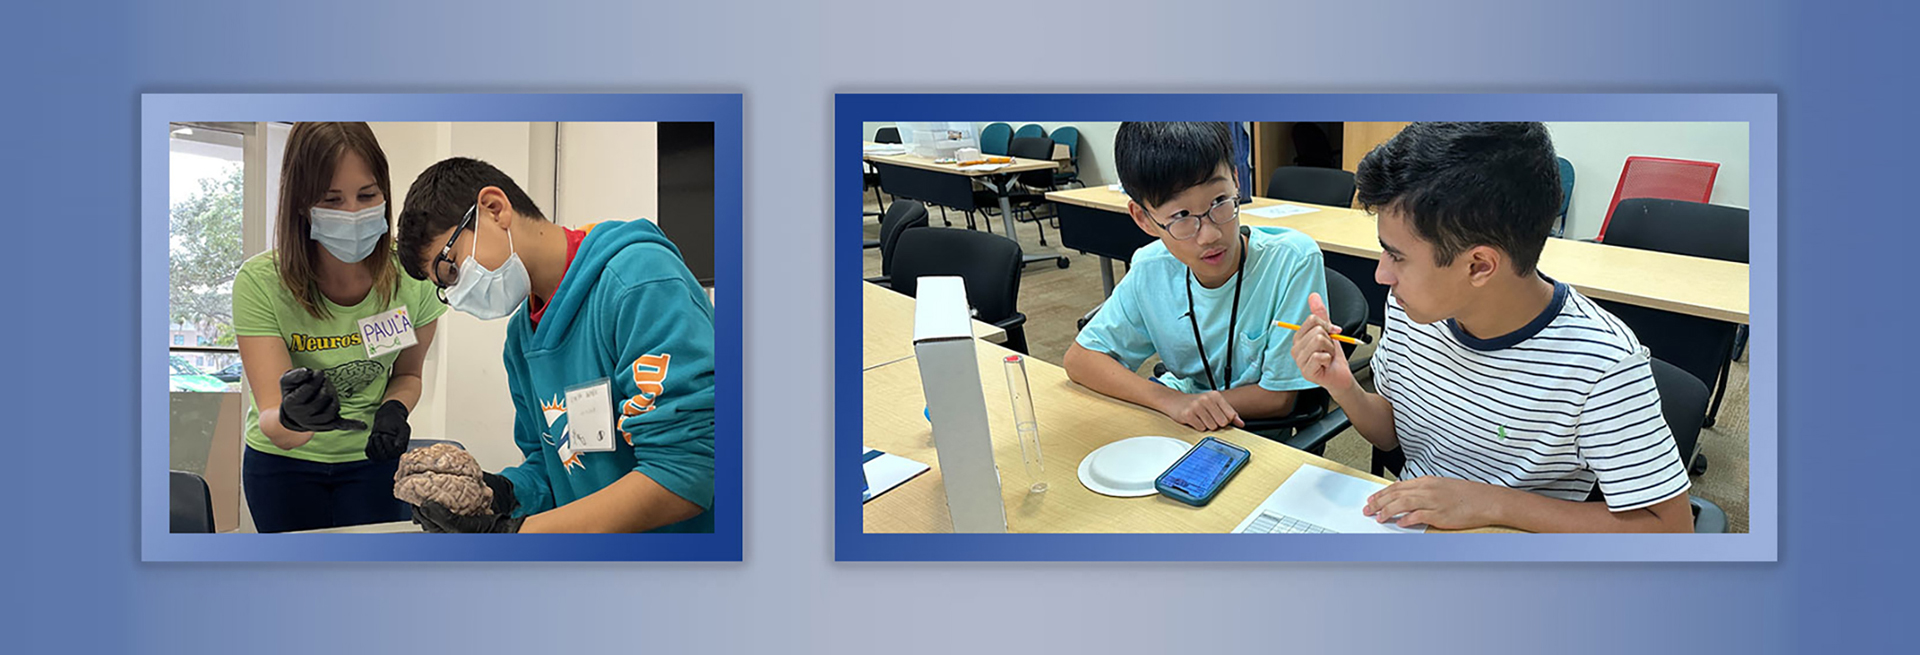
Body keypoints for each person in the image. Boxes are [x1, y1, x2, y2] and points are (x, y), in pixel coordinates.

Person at [1289, 122, 1692, 533]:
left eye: (1397, 257)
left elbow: (1672, 530)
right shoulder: (1413, 310)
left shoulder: (1602, 364)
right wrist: (1344, 387)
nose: (1381, 276)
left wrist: (1492, 503)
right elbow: (1393, 434)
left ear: (1479, 266)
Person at [394, 157, 715, 533]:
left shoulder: (638, 283)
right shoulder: (521, 339)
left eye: (451, 268)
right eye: (445, 286)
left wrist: (513, 536)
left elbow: (685, 474)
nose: (458, 290)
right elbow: (552, 467)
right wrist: (500, 493)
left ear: (494, 209)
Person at [233, 122, 445, 533]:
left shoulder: (413, 275)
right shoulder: (261, 283)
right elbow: (273, 419)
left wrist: (394, 409)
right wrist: (295, 419)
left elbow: (408, 374)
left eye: (367, 195)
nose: (353, 213)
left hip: (371, 461)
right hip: (285, 466)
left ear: (385, 192)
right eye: (332, 200)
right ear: (301, 204)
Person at [1064, 122, 1326, 431]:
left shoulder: (1291, 261)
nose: (1210, 235)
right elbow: (1080, 359)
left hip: (1258, 435)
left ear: (1236, 182)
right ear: (1143, 219)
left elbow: (1277, 399)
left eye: (1219, 202)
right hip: (1178, 423)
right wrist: (1171, 401)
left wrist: (1189, 404)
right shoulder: (1150, 268)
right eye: (1181, 217)